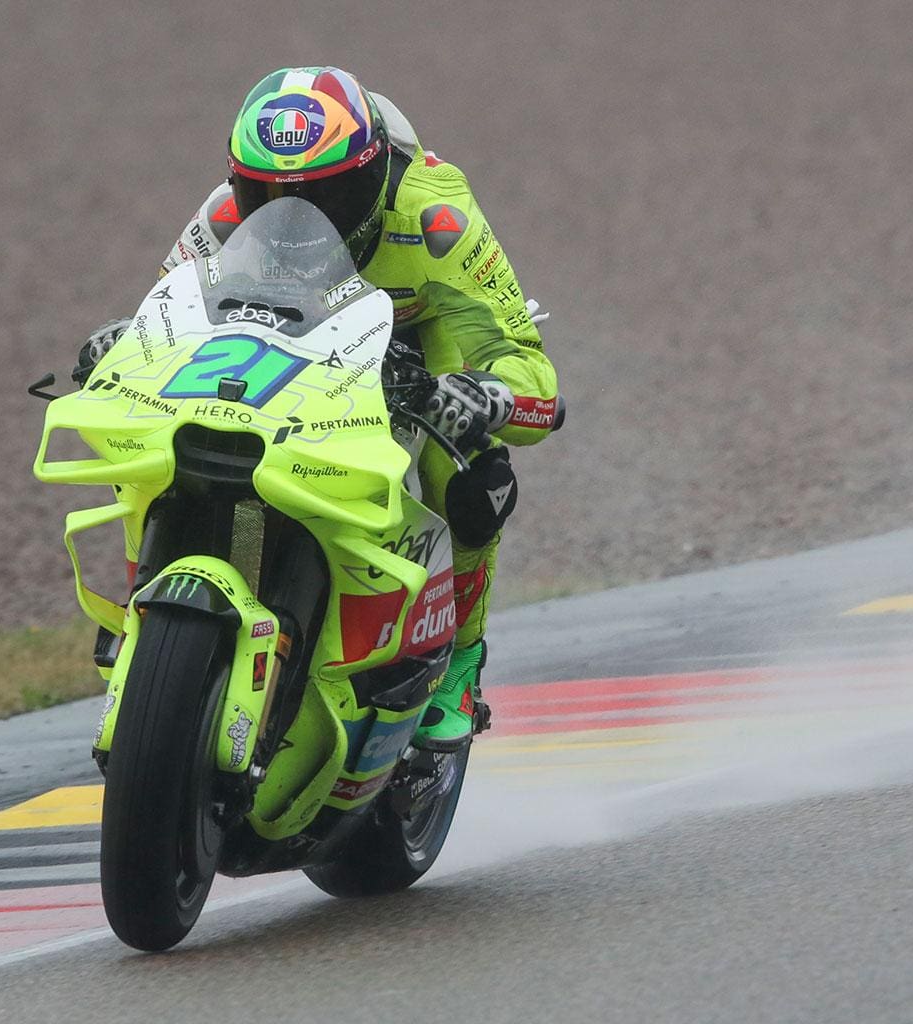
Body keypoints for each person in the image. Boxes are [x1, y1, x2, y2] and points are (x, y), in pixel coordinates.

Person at [74, 66, 560, 750]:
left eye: (326, 197)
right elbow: (164, 322)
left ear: (373, 177)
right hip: (280, 343)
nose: (295, 219)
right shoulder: (221, 216)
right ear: (238, 183)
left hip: (414, 343)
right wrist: (120, 344)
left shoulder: (438, 220)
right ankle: (144, 613)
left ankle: (460, 664)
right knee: (157, 432)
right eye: (266, 195)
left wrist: (488, 394)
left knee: (470, 474)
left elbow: (527, 364)